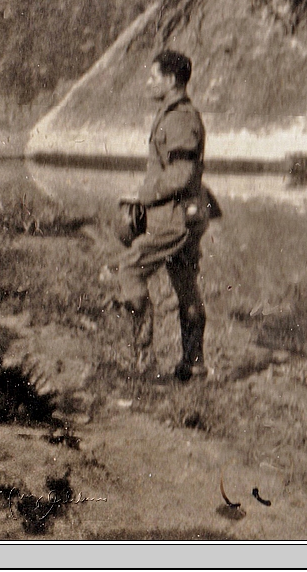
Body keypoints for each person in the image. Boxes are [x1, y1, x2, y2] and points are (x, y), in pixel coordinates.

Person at [113, 49, 212, 381]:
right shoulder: (175, 114)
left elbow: (182, 174)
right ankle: (193, 365)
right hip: (184, 215)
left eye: (153, 77)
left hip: (174, 218)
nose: (148, 82)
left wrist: (141, 195)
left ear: (170, 81)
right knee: (185, 286)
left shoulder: (180, 119)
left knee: (129, 270)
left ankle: (142, 363)